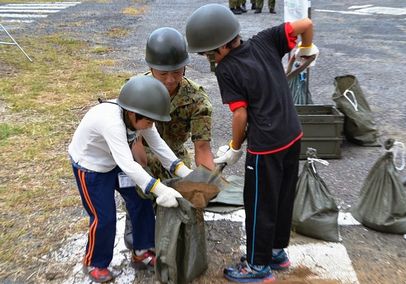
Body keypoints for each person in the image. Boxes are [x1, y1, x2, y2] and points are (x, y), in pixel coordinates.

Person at [185, 4, 319, 283]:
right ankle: (276, 254)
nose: (209, 57)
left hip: (266, 147)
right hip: (292, 135)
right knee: (282, 197)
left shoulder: (227, 69)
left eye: (208, 52)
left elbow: (240, 113)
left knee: (259, 204)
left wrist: (234, 147)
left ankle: (259, 266)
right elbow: (306, 24)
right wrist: (307, 48)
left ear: (220, 46)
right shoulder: (265, 39)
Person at [68, 76, 192, 283]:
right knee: (103, 216)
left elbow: (158, 145)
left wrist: (183, 171)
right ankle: (95, 263)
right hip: (91, 168)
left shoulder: (140, 114)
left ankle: (141, 251)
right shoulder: (112, 122)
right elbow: (128, 164)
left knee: (141, 200)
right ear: (133, 114)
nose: (150, 125)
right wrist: (160, 189)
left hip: (114, 161)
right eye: (149, 121)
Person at [123, 27, 215, 250]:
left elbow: (202, 146)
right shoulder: (136, 90)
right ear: (150, 67)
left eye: (177, 71)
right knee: (138, 188)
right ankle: (135, 220)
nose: (171, 80)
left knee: (182, 201)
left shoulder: (196, 99)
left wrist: (206, 183)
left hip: (174, 155)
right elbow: (131, 137)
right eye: (162, 74)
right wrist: (142, 169)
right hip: (141, 153)